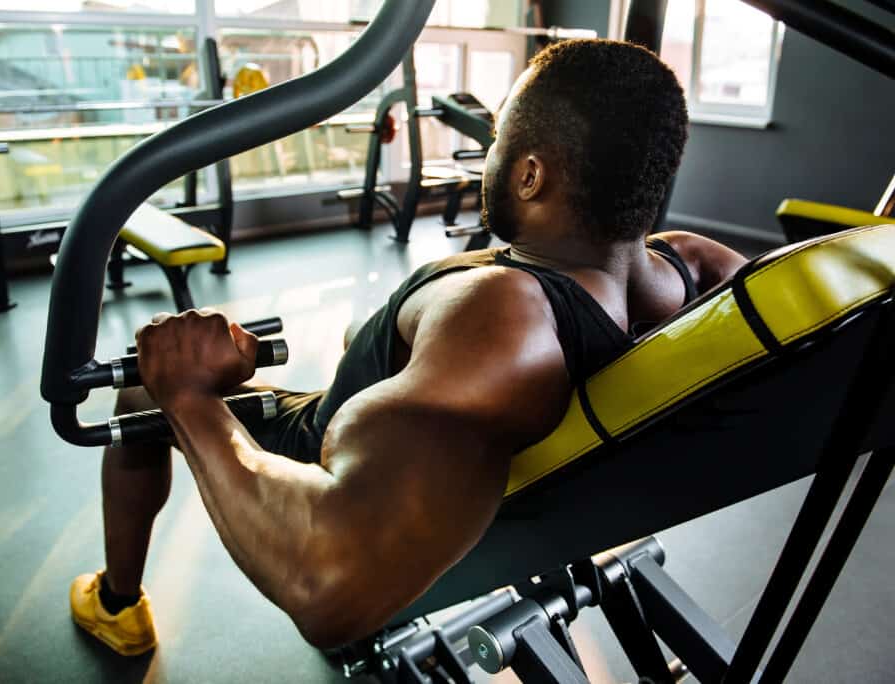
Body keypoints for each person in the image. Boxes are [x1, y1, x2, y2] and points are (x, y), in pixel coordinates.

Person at [69, 38, 748, 656]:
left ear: (531, 175)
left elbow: (328, 588)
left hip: (327, 448)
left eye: (498, 139)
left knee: (137, 390)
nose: (490, 153)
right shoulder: (691, 269)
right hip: (422, 422)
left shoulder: (503, 321)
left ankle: (117, 606)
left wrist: (189, 394)